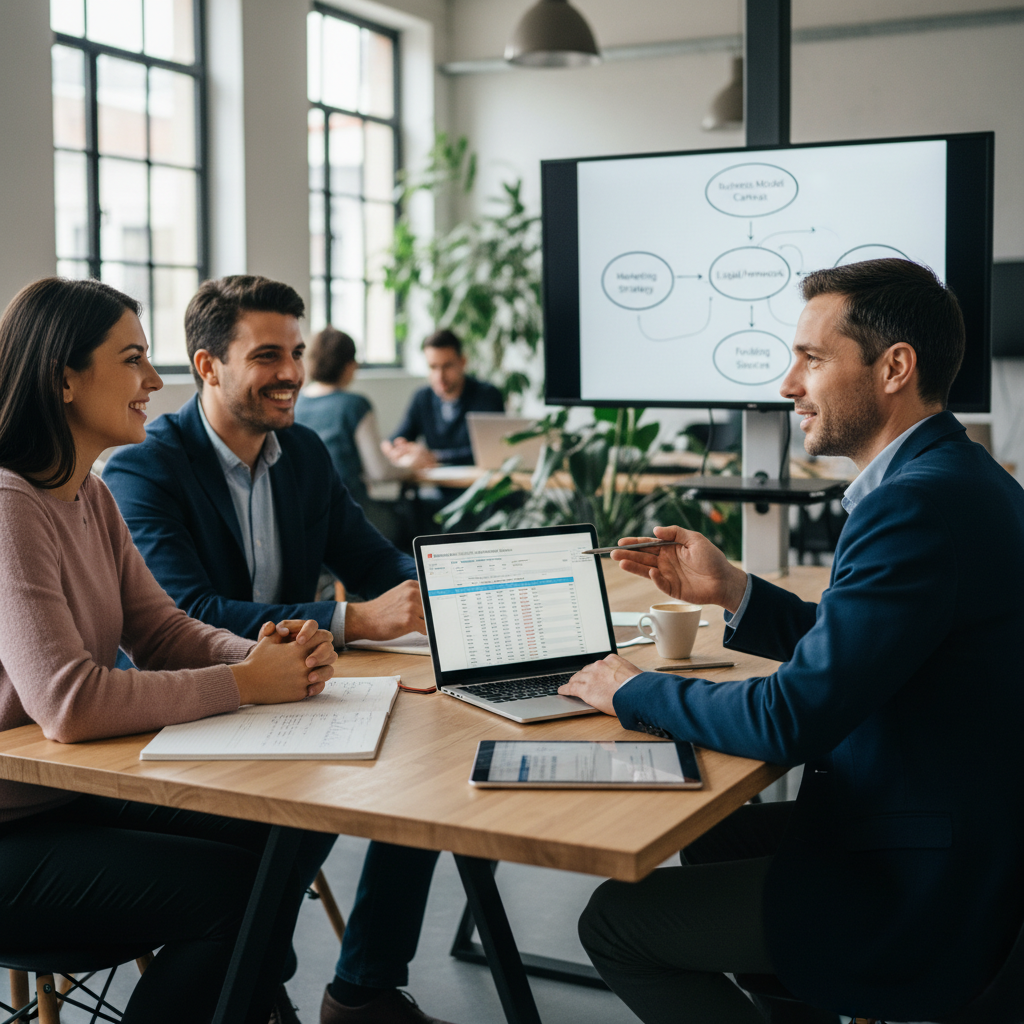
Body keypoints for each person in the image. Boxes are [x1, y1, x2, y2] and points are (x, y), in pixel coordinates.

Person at [559, 259, 1024, 1024]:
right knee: (717, 833)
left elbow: (791, 718)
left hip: (923, 877)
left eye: (811, 359)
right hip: (958, 822)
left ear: (893, 368)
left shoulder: (913, 506)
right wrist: (736, 592)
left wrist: (630, 688)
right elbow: (872, 646)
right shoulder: (959, 475)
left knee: (613, 922)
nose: (786, 384)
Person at [103, 276, 453, 1024]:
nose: (292, 372)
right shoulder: (143, 465)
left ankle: (361, 988)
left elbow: (374, 561)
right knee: (297, 815)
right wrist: (353, 621)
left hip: (291, 694)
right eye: (267, 355)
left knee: (431, 771)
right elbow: (183, 614)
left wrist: (452, 592)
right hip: (186, 711)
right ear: (207, 366)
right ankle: (254, 979)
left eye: (296, 351)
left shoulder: (304, 455)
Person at [0, 277, 338, 1024]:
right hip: (12, 828)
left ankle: (242, 993)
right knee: (232, 898)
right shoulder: (8, 506)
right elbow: (71, 702)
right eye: (133, 359)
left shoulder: (89, 494)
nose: (156, 381)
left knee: (295, 818)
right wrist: (248, 686)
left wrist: (259, 651)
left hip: (69, 798)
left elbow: (162, 632)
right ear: (64, 378)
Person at [295, 326, 410, 541]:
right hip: (350, 515)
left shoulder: (295, 403)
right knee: (406, 518)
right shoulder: (354, 406)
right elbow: (379, 472)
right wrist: (411, 466)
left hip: (305, 520)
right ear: (349, 365)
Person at [382, 329, 504, 469]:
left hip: (479, 486)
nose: (440, 376)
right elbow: (401, 435)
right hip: (438, 486)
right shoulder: (423, 397)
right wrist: (395, 447)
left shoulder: (487, 396)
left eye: (447, 366)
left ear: (462, 362)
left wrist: (433, 456)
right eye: (433, 367)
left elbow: (490, 451)